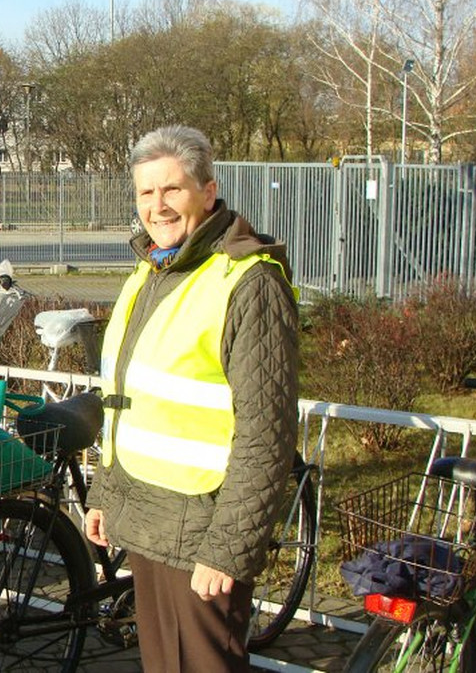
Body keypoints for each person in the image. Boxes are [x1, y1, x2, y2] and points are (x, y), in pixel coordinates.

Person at [83, 125, 300, 672]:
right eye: (145, 193)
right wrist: (107, 494)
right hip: (153, 523)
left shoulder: (247, 281)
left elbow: (266, 436)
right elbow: (125, 402)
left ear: (208, 190)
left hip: (202, 535)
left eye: (172, 190)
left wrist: (228, 547)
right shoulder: (154, 269)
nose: (157, 207)